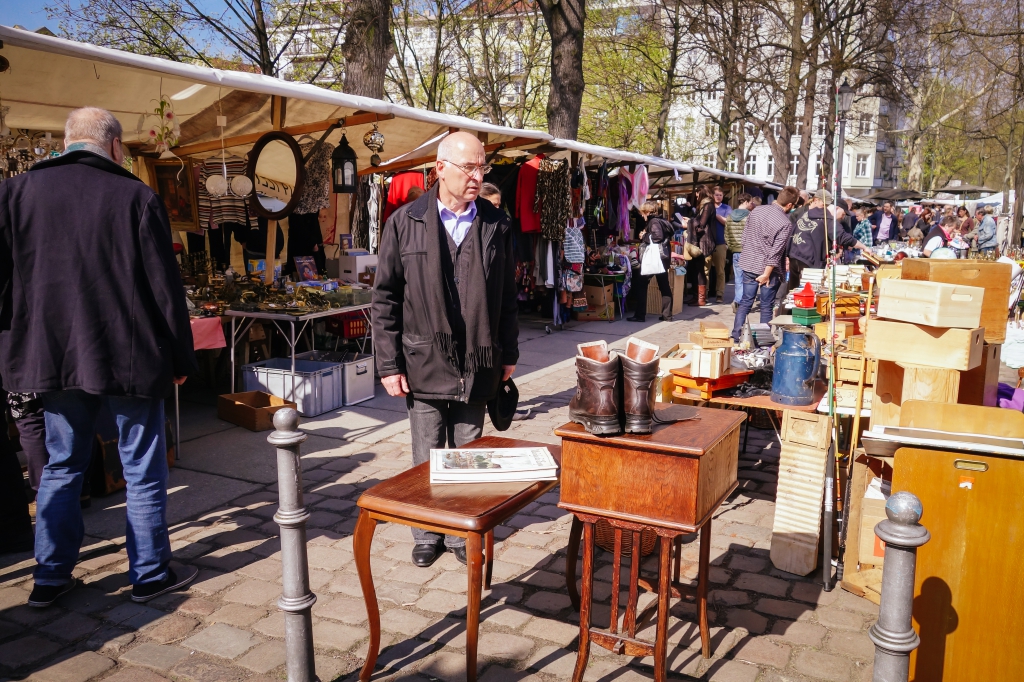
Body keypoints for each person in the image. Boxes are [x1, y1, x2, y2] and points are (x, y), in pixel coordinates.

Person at [0, 107, 198, 607]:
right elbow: (164, 290)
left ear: (67, 142)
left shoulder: (16, 194)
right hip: (129, 356)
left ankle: (49, 576)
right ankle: (150, 574)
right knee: (142, 469)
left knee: (62, 465)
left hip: (54, 357)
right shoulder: (135, 196)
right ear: (115, 147)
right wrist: (180, 357)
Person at [372, 132, 518, 568]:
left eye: (482, 168)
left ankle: (459, 528)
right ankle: (426, 530)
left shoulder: (496, 223)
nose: (477, 176)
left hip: (479, 357)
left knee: (468, 450)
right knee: (428, 450)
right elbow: (385, 299)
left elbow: (508, 294)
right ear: (440, 169)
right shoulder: (404, 221)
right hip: (423, 357)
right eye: (469, 168)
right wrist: (387, 364)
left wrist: (508, 352)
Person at [730, 186, 800, 341]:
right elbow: (775, 252)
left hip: (749, 262)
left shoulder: (757, 210)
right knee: (766, 306)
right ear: (789, 205)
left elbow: (745, 237)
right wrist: (766, 274)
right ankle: (763, 341)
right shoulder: (785, 222)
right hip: (768, 269)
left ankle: (736, 335)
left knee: (746, 302)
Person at [787, 189, 869, 289]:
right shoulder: (828, 218)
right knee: (809, 291)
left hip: (794, 256)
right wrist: (864, 247)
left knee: (793, 291)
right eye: (843, 214)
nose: (842, 217)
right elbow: (843, 237)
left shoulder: (808, 213)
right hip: (809, 260)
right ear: (837, 208)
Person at [628, 201, 682, 323]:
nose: (642, 215)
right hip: (662, 259)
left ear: (647, 212)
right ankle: (666, 315)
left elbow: (657, 237)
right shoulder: (662, 220)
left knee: (641, 284)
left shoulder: (653, 221)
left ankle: (640, 315)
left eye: (643, 212)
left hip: (654, 259)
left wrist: (644, 236)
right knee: (664, 286)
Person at [687, 185, 716, 306]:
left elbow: (701, 225)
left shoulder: (708, 205)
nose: (697, 196)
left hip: (704, 242)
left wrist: (688, 223)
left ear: (702, 192)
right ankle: (696, 296)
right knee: (695, 269)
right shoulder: (705, 205)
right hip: (700, 241)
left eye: (698, 193)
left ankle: (701, 299)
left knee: (700, 270)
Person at [724, 193, 753, 311]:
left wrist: (732, 247)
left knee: (738, 278)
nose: (751, 204)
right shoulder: (750, 216)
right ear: (746, 202)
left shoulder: (730, 216)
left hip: (735, 251)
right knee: (748, 279)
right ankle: (741, 302)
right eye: (750, 202)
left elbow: (726, 235)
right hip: (748, 251)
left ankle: (738, 300)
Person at [709, 186, 731, 304]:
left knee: (720, 271)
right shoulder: (707, 207)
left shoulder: (726, 208)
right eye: (716, 194)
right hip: (707, 242)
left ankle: (719, 294)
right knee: (705, 271)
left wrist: (715, 214)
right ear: (712, 195)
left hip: (720, 242)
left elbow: (727, 221)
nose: (718, 197)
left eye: (720, 195)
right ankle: (705, 293)